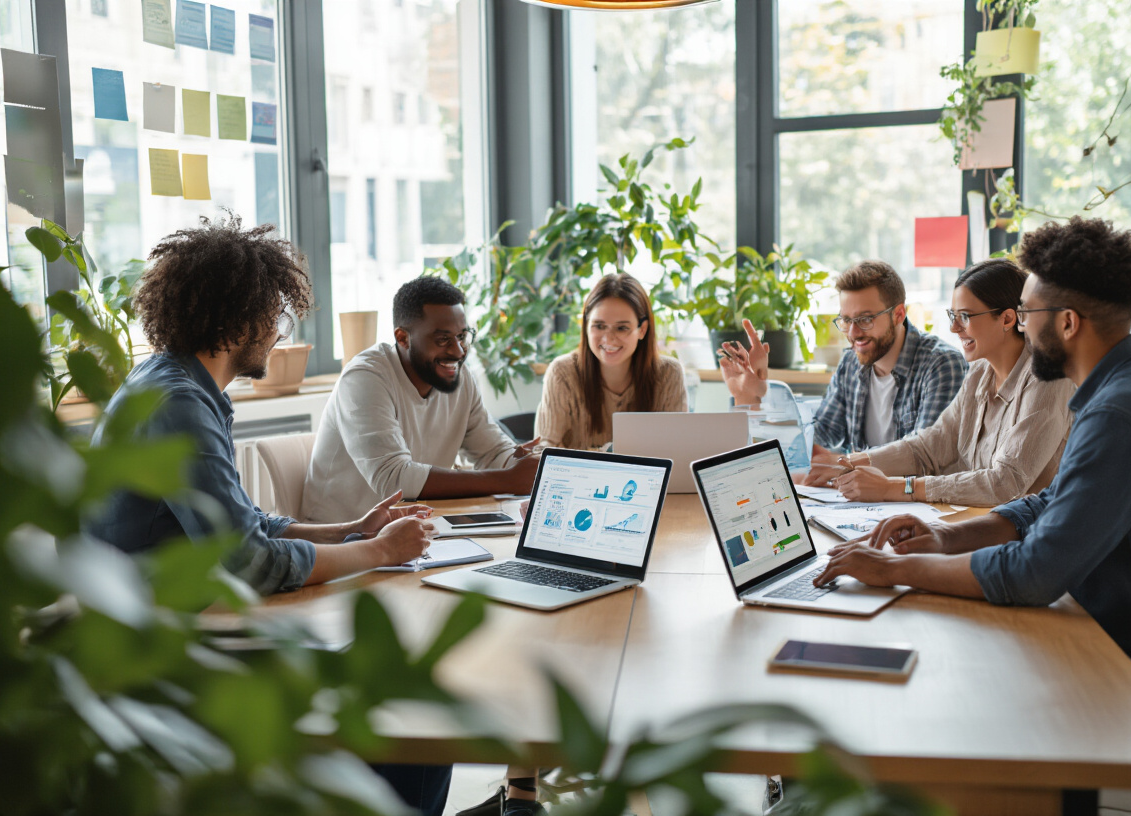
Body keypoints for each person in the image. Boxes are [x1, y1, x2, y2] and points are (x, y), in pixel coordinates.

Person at [83, 215, 451, 815]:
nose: (278, 335)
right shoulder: (178, 402)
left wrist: (350, 530)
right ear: (236, 320)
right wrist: (381, 552)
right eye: (273, 319)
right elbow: (249, 560)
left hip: (185, 620)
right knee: (412, 703)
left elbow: (245, 524)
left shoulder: (180, 385)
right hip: (163, 652)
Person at [814, 217, 1131, 668]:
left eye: (1026, 313)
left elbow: (1034, 575)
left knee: (945, 658)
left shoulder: (1119, 414)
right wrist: (945, 537)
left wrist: (892, 569)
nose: (1020, 325)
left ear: (1068, 323)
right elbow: (1051, 501)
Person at [809, 258, 1075, 506]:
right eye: (953, 316)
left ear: (1006, 318)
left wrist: (893, 488)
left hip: (1028, 536)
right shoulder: (981, 372)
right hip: (980, 524)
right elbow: (930, 446)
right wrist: (850, 463)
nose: (954, 328)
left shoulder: (1049, 378)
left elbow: (1006, 483)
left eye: (965, 317)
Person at [301, 276, 540, 522]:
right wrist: (508, 479)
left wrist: (521, 463)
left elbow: (491, 452)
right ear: (402, 338)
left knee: (518, 553)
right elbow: (395, 479)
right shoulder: (365, 377)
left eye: (462, 336)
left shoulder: (460, 378)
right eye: (443, 340)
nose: (458, 351)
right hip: (343, 538)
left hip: (417, 532)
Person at [719, 260, 966, 460]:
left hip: (924, 510)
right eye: (846, 320)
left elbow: (924, 457)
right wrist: (757, 396)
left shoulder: (942, 364)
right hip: (865, 507)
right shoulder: (851, 363)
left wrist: (844, 465)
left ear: (898, 314)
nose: (853, 333)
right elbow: (818, 440)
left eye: (865, 319)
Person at [535, 273, 687, 450]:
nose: (608, 339)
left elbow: (675, 450)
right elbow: (541, 453)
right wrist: (610, 452)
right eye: (599, 326)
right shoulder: (562, 373)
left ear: (642, 330)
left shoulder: (669, 373)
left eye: (622, 328)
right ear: (585, 326)